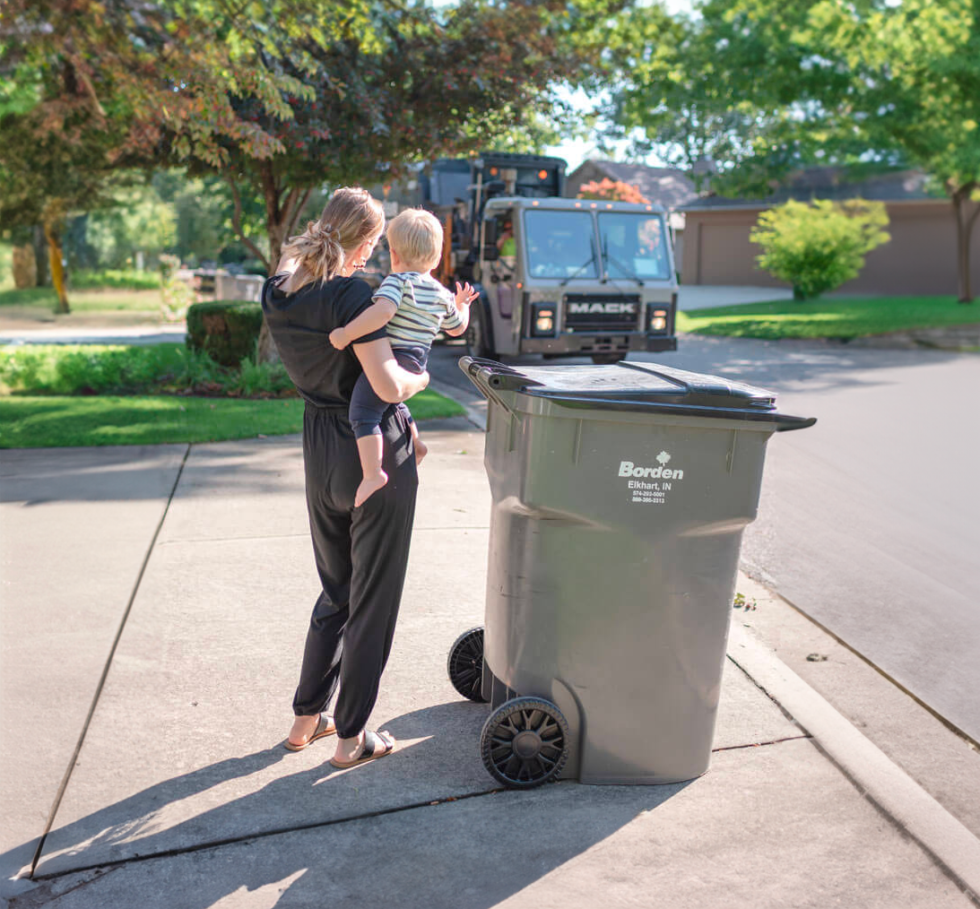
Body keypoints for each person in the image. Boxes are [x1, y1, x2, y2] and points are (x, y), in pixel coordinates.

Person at [262, 187, 429, 769]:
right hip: (373, 449)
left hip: (318, 447)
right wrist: (422, 382)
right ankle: (352, 737)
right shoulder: (353, 296)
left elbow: (289, 254)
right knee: (372, 600)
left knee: (336, 591)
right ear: (366, 243)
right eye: (374, 243)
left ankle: (306, 719)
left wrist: (312, 247)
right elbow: (386, 385)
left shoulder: (280, 290)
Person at [328, 208, 477, 507]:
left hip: (392, 358)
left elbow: (382, 312)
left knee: (363, 411)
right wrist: (462, 305)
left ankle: (373, 473)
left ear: (394, 254)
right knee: (395, 403)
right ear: (436, 259)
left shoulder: (398, 282)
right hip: (417, 359)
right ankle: (416, 444)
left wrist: (346, 333)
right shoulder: (441, 294)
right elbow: (457, 329)